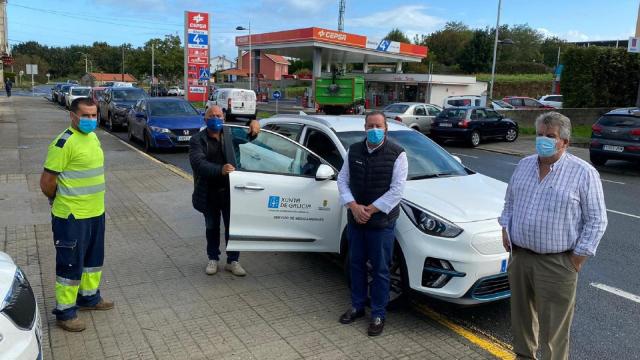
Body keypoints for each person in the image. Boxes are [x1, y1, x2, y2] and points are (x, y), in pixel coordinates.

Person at [499, 112, 608, 360]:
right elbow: (510, 201)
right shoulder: (524, 165)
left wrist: (576, 260)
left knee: (554, 330)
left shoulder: (583, 173)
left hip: (558, 263)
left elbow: (597, 220)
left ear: (565, 142)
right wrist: (505, 227)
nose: (543, 140)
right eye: (539, 135)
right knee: (521, 321)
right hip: (521, 257)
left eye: (550, 136)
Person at [40, 97, 114, 332]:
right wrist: (56, 200)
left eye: (94, 115)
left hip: (95, 212)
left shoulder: (92, 137)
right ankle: (65, 312)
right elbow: (47, 182)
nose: (91, 120)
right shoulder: (63, 143)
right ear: (73, 116)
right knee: (70, 265)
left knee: (93, 261)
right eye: (86, 115)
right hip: (71, 217)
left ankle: (89, 298)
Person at [336, 110, 408, 336]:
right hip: (356, 219)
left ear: (386, 128)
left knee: (380, 269)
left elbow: (397, 190)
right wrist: (354, 207)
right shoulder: (354, 150)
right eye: (370, 126)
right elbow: (342, 180)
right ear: (364, 127)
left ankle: (378, 314)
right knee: (356, 264)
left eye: (378, 126)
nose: (374, 130)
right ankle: (357, 306)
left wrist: (371, 209)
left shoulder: (398, 154)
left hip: (381, 223)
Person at [189, 105, 260, 277]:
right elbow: (198, 163)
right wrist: (220, 169)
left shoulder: (231, 134)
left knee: (233, 228)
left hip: (232, 191)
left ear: (223, 118)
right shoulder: (197, 139)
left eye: (219, 115)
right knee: (212, 227)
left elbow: (250, 135)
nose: (216, 118)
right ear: (205, 120)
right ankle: (213, 258)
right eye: (212, 115)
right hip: (208, 191)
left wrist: (255, 123)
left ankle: (232, 261)